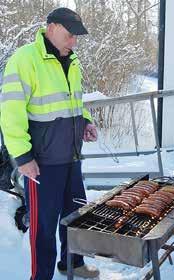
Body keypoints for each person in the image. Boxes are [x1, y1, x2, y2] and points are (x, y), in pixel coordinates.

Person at [0, 7, 99, 280]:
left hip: (72, 156)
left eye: (76, 38)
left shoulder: (72, 60)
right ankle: (40, 276)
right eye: (69, 36)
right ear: (52, 28)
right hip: (42, 163)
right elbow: (10, 113)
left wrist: (86, 123)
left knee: (75, 214)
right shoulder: (24, 60)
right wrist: (23, 157)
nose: (73, 42)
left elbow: (75, 102)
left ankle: (73, 263)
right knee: (44, 226)